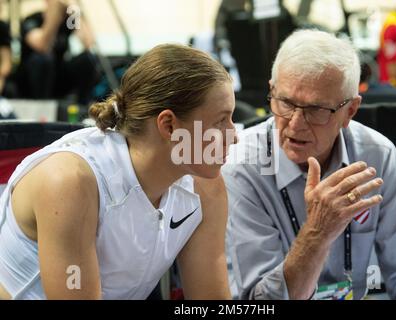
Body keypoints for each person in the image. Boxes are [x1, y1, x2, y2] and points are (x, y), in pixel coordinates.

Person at [223, 29, 396, 300]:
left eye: (316, 109)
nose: (295, 124)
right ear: (272, 90)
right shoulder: (240, 167)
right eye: (285, 102)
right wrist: (317, 232)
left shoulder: (376, 155)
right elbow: (258, 302)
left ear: (350, 111)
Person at [0, 43, 237, 299]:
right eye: (220, 121)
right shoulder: (69, 182)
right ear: (169, 125)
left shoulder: (206, 188)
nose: (234, 136)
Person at [17, 0, 98, 104]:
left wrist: (76, 13)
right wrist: (54, 15)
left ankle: (83, 106)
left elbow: (89, 42)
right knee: (44, 59)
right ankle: (43, 107)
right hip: (31, 81)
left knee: (88, 58)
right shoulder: (32, 19)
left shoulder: (68, 21)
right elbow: (42, 46)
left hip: (57, 76)